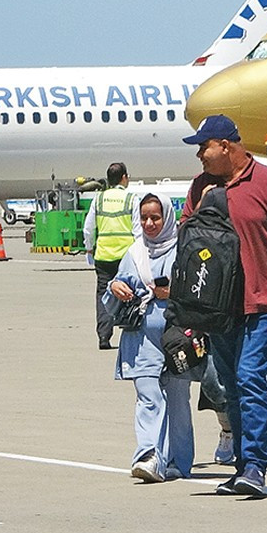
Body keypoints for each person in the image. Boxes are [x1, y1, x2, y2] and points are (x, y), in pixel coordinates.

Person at [184, 114, 267, 497]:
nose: (200, 155)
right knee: (230, 386)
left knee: (252, 379)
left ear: (227, 146)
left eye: (205, 147)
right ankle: (241, 465)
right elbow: (187, 239)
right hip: (219, 307)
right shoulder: (202, 186)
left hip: (262, 301)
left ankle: (255, 464)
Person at [106, 192, 195, 483]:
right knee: (148, 396)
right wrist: (116, 287)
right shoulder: (134, 253)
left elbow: (198, 289)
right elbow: (112, 296)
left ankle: (178, 462)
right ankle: (148, 455)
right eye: (144, 218)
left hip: (177, 336)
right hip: (141, 337)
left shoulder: (183, 250)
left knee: (177, 401)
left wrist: (174, 293)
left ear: (167, 217)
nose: (149, 223)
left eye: (155, 217)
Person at [83, 163, 142, 350]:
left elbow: (88, 228)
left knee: (103, 294)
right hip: (126, 256)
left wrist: (89, 248)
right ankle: (130, 328)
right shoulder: (131, 198)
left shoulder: (98, 199)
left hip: (104, 256)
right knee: (130, 294)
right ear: (124, 177)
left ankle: (103, 336)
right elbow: (138, 230)